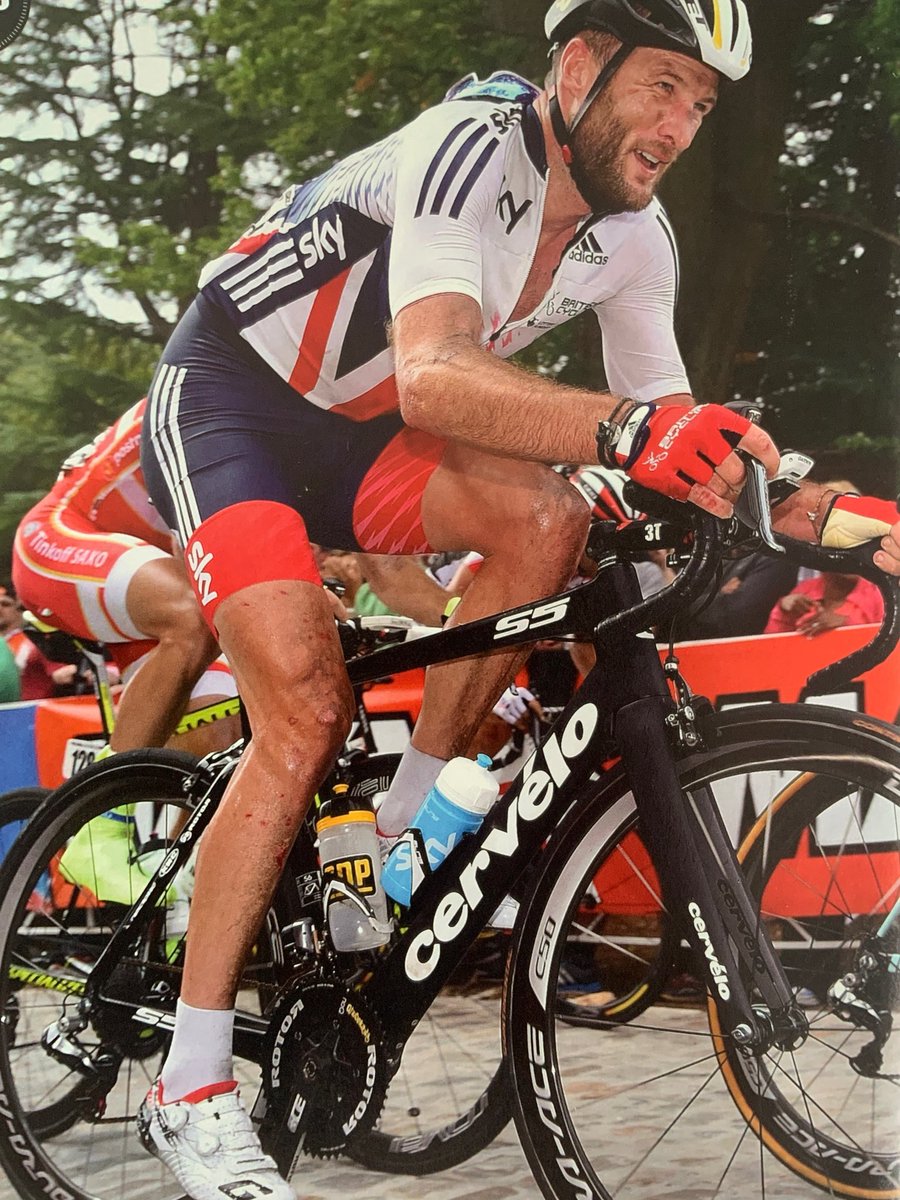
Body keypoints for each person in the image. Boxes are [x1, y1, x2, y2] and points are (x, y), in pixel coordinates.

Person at [137, 2, 900, 1195]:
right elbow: (441, 373)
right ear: (581, 65)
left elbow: (680, 447)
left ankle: (398, 834)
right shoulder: (470, 143)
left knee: (549, 519)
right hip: (235, 399)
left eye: (702, 105)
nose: (680, 125)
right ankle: (187, 1087)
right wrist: (635, 430)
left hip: (367, 433)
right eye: (661, 86)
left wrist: (824, 513)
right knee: (302, 703)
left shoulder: (637, 239)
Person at [12, 400, 242, 905]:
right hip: (60, 536)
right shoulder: (207, 390)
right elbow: (203, 547)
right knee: (192, 617)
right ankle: (99, 827)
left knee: (223, 737)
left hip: (139, 570)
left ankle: (185, 903)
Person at [764, 569, 885, 637]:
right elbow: (770, 649)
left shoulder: (881, 594)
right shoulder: (805, 589)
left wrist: (847, 626)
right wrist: (783, 612)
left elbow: (892, 653)